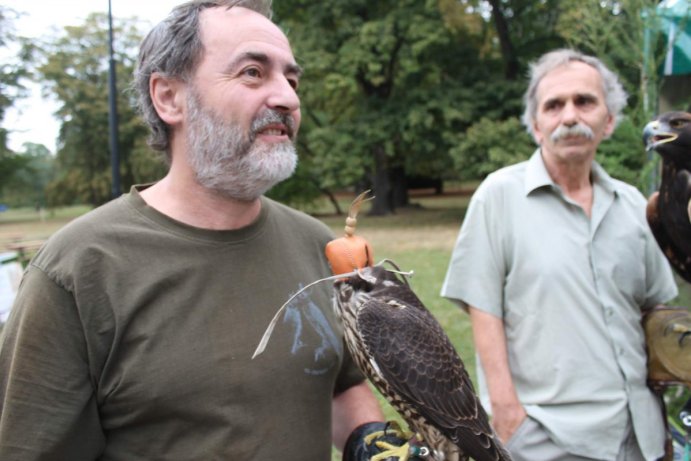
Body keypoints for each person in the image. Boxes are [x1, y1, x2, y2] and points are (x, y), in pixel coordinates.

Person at [0, 1, 394, 459]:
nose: (288, 97)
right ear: (169, 97)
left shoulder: (317, 245)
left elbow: (339, 383)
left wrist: (370, 442)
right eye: (252, 72)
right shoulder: (78, 270)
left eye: (291, 78)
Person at [441, 48, 678, 461]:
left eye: (584, 101)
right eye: (554, 105)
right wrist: (508, 415)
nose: (570, 116)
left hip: (641, 433)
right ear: (536, 125)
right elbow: (482, 310)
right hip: (548, 437)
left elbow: (656, 309)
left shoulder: (633, 203)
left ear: (609, 120)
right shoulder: (499, 196)